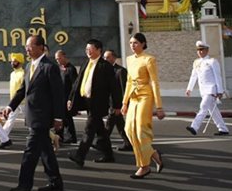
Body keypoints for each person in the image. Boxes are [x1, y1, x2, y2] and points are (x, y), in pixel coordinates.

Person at [3, 35, 65, 191]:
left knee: (30, 152)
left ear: (41, 47)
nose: (27, 49)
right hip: (32, 115)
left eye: (30, 46)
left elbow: (58, 94)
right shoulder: (30, 66)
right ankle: (55, 181)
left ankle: (24, 185)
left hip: (42, 117)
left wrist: (58, 117)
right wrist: (10, 106)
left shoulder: (49, 67)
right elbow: (23, 90)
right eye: (26, 47)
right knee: (46, 151)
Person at [67, 39, 122, 167]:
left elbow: (114, 87)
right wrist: (70, 98)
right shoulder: (86, 63)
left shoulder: (105, 66)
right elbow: (77, 83)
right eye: (86, 49)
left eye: (90, 49)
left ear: (98, 50)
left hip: (99, 103)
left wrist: (117, 106)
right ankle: (108, 155)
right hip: (86, 101)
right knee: (100, 130)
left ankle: (79, 156)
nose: (88, 52)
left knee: (89, 128)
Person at [121, 33, 164, 179]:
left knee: (140, 130)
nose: (133, 46)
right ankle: (153, 154)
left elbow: (154, 82)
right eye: (131, 43)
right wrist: (124, 102)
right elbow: (128, 81)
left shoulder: (149, 59)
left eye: (136, 43)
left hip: (146, 96)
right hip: (133, 96)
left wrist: (159, 106)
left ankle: (144, 166)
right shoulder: (129, 59)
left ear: (143, 44)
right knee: (128, 130)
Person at [186, 40, 229, 136]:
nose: (200, 52)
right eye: (198, 50)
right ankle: (223, 129)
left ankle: (194, 127)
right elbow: (193, 76)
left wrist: (220, 91)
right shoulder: (196, 62)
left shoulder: (212, 61)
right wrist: (189, 88)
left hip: (211, 90)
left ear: (207, 50)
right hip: (203, 91)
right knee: (213, 111)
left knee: (203, 107)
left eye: (202, 49)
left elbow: (218, 76)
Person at [104, 49, 132, 151]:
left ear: (114, 58)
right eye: (104, 57)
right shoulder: (106, 70)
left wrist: (120, 106)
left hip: (116, 105)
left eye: (107, 57)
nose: (105, 59)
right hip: (111, 103)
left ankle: (101, 143)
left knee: (109, 125)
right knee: (119, 125)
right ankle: (129, 143)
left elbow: (123, 90)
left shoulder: (120, 71)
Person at [54, 49, 78, 144]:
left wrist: (71, 99)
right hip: (59, 98)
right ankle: (59, 136)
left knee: (67, 118)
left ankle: (71, 137)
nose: (58, 61)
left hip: (67, 98)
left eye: (59, 58)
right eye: (56, 59)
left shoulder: (71, 69)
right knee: (60, 117)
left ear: (64, 57)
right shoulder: (59, 69)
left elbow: (74, 85)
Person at [1, 53, 25, 145]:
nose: (12, 63)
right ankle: (3, 137)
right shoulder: (12, 74)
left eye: (14, 61)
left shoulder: (23, 73)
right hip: (14, 103)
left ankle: (52, 137)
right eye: (11, 61)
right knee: (10, 120)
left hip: (23, 102)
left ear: (20, 62)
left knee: (33, 123)